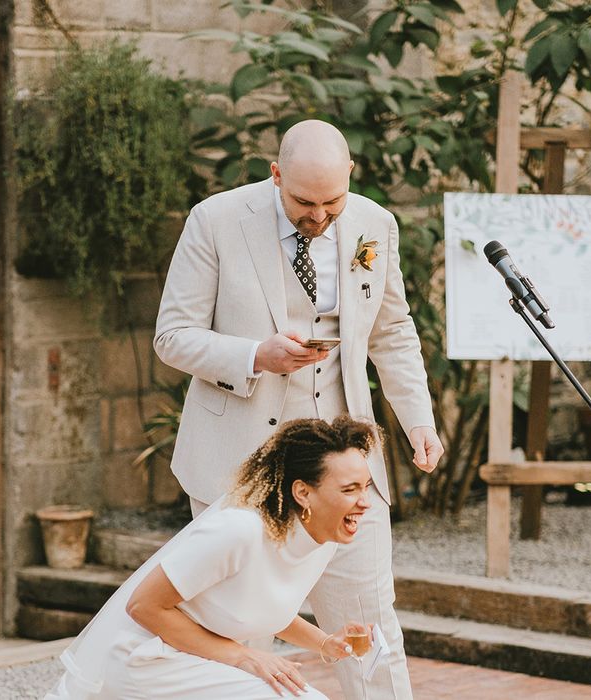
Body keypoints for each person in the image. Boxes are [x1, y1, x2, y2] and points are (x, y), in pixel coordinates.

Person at [154, 119, 444, 699]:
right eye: (303, 202)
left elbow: (392, 331)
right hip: (237, 464)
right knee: (237, 628)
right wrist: (254, 355)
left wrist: (418, 420)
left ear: (350, 180)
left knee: (369, 621)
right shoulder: (215, 220)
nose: (319, 216)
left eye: (331, 201)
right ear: (276, 174)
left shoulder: (373, 224)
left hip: (344, 467)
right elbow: (172, 336)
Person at [45, 417, 376, 699]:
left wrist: (325, 642)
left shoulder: (323, 536)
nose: (365, 502)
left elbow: (259, 604)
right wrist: (243, 656)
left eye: (366, 487)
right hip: (150, 661)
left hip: (202, 660)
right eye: (350, 489)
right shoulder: (238, 530)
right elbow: (143, 606)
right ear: (303, 493)